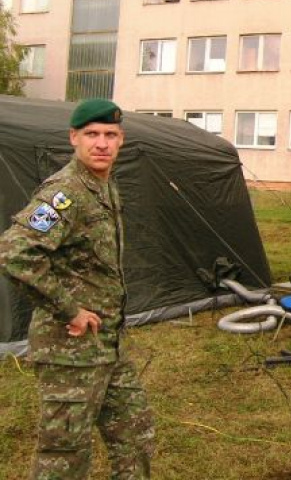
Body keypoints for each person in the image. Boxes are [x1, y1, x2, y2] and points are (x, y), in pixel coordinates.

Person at [0, 99, 155, 479]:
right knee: (64, 455)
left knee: (135, 434)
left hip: (108, 343)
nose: (101, 143)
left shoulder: (103, 185)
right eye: (92, 134)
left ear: (120, 140)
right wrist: (69, 310)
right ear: (74, 138)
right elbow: (14, 253)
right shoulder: (65, 193)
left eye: (110, 135)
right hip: (69, 351)